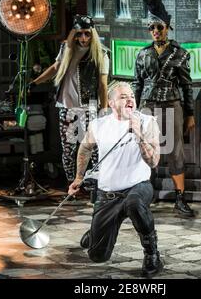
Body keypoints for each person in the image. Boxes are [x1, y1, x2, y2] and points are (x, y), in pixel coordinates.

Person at [68, 82, 163, 278]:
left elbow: (153, 162)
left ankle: (152, 254)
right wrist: (78, 177)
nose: (130, 100)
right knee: (97, 256)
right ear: (111, 103)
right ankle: (98, 230)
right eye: (123, 97)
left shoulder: (147, 122)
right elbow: (85, 148)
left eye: (132, 96)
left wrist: (138, 133)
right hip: (108, 193)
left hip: (138, 187)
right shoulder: (99, 125)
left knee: (134, 203)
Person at [132, 0, 196, 217]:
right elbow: (136, 84)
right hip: (147, 108)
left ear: (167, 27)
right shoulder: (142, 54)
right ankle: (143, 198)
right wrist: (134, 112)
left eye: (160, 27)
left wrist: (190, 114)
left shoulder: (180, 53)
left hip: (171, 105)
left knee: (175, 151)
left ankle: (180, 199)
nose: (156, 31)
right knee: (145, 150)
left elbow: (187, 86)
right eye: (152, 28)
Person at [30, 14, 109, 183]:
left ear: (92, 33)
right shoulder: (66, 49)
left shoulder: (100, 53)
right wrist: (34, 83)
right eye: (79, 33)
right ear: (74, 33)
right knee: (68, 148)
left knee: (93, 147)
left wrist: (104, 109)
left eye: (87, 34)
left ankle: (96, 184)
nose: (83, 38)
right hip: (67, 107)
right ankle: (72, 185)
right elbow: (55, 68)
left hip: (90, 107)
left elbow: (103, 85)